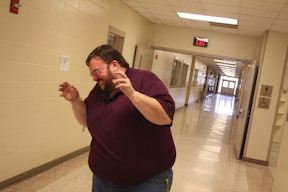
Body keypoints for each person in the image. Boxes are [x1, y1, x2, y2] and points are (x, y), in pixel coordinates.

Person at [59, 44, 176, 192]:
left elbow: (164, 118)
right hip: (102, 179)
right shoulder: (101, 89)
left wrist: (132, 94)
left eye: (97, 71)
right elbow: (88, 120)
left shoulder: (146, 80)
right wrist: (75, 100)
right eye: (92, 74)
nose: (94, 78)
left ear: (114, 65)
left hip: (146, 181)